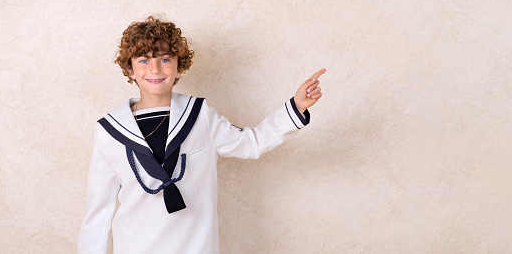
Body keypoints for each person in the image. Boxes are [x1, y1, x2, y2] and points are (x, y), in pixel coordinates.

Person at [78, 16, 326, 253]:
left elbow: (250, 144)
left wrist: (296, 107)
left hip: (195, 247)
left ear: (179, 68)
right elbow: (99, 212)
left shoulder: (199, 115)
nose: (154, 68)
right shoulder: (109, 130)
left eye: (164, 59)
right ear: (130, 70)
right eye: (143, 60)